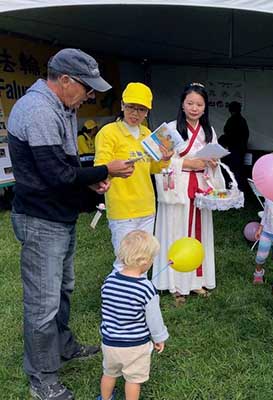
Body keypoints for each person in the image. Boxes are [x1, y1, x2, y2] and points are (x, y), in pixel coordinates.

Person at [7, 48, 134, 400]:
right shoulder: (36, 110)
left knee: (63, 289)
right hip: (39, 219)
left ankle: (62, 345)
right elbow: (56, 174)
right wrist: (105, 171)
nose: (90, 95)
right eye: (87, 88)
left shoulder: (62, 108)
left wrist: (90, 183)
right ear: (64, 81)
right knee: (42, 303)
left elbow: (66, 169)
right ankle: (43, 378)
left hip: (58, 216)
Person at [152, 82, 223, 306]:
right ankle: (175, 284)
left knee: (198, 234)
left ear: (205, 108)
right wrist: (188, 162)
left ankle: (195, 281)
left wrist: (212, 162)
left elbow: (214, 159)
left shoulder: (209, 131)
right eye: (190, 103)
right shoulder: (170, 129)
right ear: (182, 105)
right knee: (176, 232)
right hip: (178, 188)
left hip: (200, 188)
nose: (194, 108)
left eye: (199, 104)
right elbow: (159, 161)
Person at [95, 82, 173, 272]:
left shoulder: (149, 134)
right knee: (125, 260)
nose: (135, 113)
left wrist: (165, 158)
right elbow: (100, 169)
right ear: (122, 105)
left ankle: (140, 299)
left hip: (146, 206)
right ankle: (118, 300)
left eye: (141, 109)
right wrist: (114, 170)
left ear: (147, 112)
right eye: (131, 107)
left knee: (144, 260)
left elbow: (154, 167)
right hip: (122, 207)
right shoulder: (108, 132)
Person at [97, 230, 169, 400]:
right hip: (134, 346)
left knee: (109, 374)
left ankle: (104, 398)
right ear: (145, 261)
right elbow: (154, 319)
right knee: (133, 380)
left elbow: (107, 308)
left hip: (109, 343)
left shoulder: (109, 280)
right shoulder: (146, 288)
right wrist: (159, 338)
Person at [219, 101, 249, 191]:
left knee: (233, 170)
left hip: (234, 149)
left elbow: (228, 134)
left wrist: (224, 141)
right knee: (238, 170)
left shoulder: (233, 120)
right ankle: (239, 188)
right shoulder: (242, 120)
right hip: (240, 149)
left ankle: (235, 188)